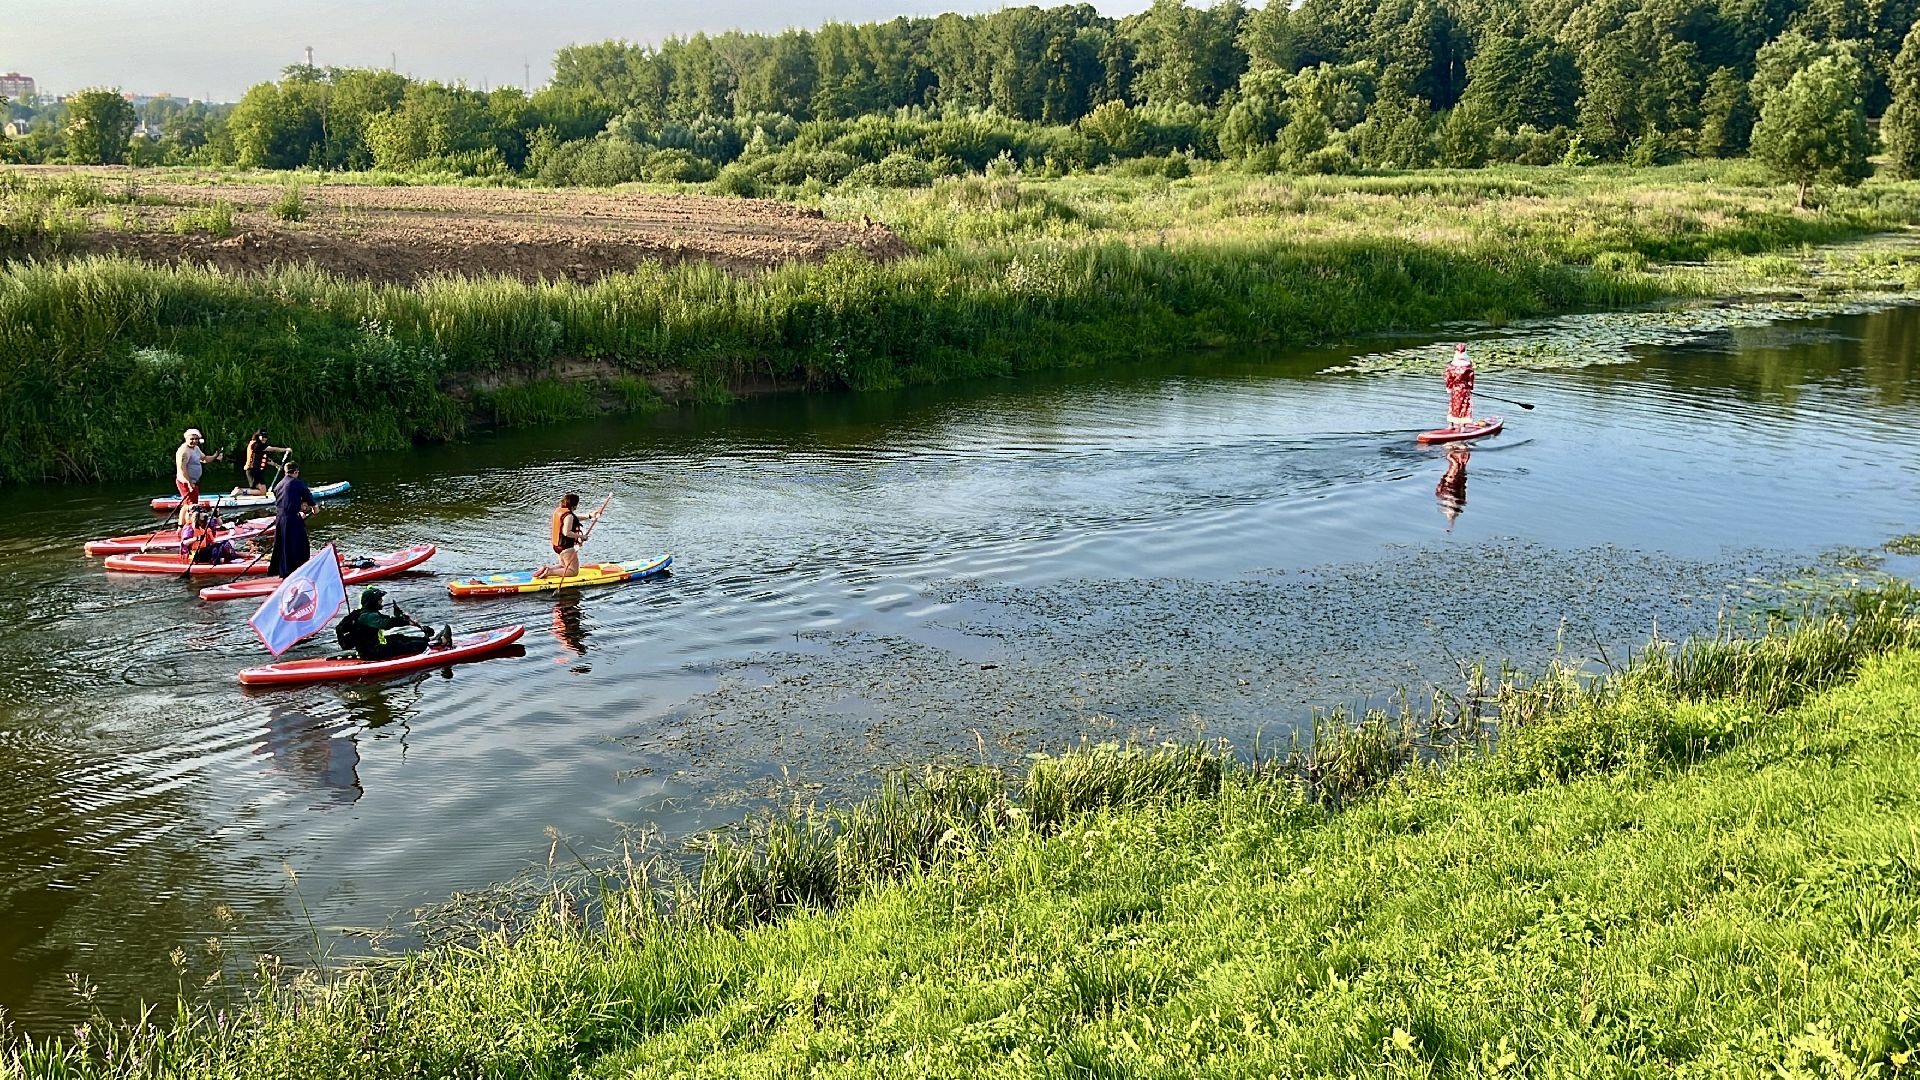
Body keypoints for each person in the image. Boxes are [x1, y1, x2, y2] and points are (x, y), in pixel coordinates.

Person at [334, 586, 452, 661]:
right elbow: (385, 624)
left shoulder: (367, 613)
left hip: (372, 647)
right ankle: (440, 642)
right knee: (403, 645)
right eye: (380, 599)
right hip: (373, 652)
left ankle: (429, 640)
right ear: (373, 602)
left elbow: (387, 619)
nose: (382, 601)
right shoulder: (368, 616)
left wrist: (404, 620)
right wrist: (400, 620)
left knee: (400, 637)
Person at [532, 492, 603, 580]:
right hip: (566, 546)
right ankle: (550, 572)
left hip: (557, 546)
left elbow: (574, 518)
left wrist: (589, 515)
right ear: (574, 505)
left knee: (563, 565)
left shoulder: (560, 511)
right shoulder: (569, 516)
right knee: (573, 571)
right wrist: (582, 537)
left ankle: (546, 569)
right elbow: (566, 532)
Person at [268, 461, 317, 578]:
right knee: (301, 545)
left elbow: (287, 501)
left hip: (280, 519)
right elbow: (311, 502)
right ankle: (300, 571)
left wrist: (298, 511)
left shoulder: (278, 485)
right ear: (295, 472)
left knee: (283, 545)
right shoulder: (298, 483)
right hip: (292, 519)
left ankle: (283, 571)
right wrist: (314, 509)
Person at [231, 430, 291, 496]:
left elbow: (265, 459)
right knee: (262, 491)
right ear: (258, 436)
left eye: (265, 437)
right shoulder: (257, 445)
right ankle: (241, 491)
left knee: (260, 491)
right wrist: (285, 449)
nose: (264, 438)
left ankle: (241, 491)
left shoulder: (260, 446)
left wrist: (276, 465)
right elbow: (272, 449)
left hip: (255, 471)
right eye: (262, 437)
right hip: (253, 470)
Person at [173, 429, 223, 505]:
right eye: (192, 439)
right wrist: (189, 483)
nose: (194, 441)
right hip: (186, 482)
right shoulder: (184, 451)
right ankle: (185, 517)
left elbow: (204, 459)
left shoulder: (196, 448)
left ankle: (194, 516)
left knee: (194, 503)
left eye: (196, 439)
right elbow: (182, 468)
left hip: (194, 482)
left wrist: (215, 456)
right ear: (186, 439)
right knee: (189, 505)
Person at [1437, 444, 1470, 531]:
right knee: (1458, 465)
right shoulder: (1457, 500)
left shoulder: (1443, 496)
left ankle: (1452, 451)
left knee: (1457, 465)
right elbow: (1463, 489)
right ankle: (1453, 450)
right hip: (1454, 482)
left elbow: (1463, 489)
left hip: (1453, 483)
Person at [1445, 343, 1476, 430]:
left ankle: (1451, 425)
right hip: (1464, 389)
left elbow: (1448, 378)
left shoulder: (1451, 366)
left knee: (1453, 405)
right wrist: (1471, 388)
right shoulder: (1468, 366)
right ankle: (1462, 426)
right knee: (1464, 405)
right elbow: (1471, 378)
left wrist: (1448, 387)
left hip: (1455, 389)